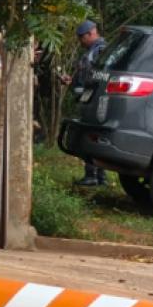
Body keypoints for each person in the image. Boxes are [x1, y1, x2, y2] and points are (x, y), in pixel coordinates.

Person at [63, 20, 107, 186]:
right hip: (88, 98)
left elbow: (98, 77)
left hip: (93, 100)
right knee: (93, 135)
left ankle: (93, 175)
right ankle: (100, 176)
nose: (80, 41)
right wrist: (72, 81)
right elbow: (84, 76)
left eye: (82, 37)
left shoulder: (101, 50)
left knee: (89, 136)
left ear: (91, 33)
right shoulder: (90, 51)